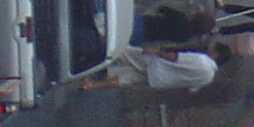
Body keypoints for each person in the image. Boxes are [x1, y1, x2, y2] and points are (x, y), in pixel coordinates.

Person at [87, 45, 223, 91]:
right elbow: (191, 90)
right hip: (159, 81)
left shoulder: (202, 60)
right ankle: (92, 85)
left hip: (156, 64)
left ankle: (96, 54)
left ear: (216, 55)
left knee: (126, 52)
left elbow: (175, 57)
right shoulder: (207, 79)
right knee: (125, 79)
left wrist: (156, 52)